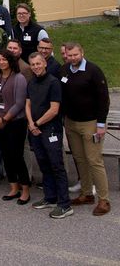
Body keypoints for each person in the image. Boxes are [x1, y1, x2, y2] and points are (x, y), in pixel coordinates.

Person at [59, 42, 111, 216]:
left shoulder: (93, 71)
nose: (72, 58)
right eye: (69, 55)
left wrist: (101, 124)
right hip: (71, 122)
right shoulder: (65, 70)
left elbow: (104, 99)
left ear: (82, 52)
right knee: (80, 159)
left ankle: (104, 199)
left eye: (75, 55)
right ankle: (86, 194)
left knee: (94, 160)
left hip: (91, 123)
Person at [26, 52, 72, 219]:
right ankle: (50, 197)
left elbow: (54, 110)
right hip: (35, 130)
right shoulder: (31, 82)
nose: (36, 67)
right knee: (43, 164)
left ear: (44, 63)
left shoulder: (53, 83)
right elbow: (28, 104)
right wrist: (31, 124)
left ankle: (65, 204)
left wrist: (37, 124)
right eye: (33, 64)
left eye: (38, 64)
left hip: (50, 130)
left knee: (56, 165)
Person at [0, 50, 30, 204]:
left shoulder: (19, 79)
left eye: (4, 59)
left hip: (15, 123)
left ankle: (25, 189)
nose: (1, 62)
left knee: (17, 156)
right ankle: (13, 187)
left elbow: (19, 103)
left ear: (10, 61)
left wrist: (4, 118)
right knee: (5, 155)